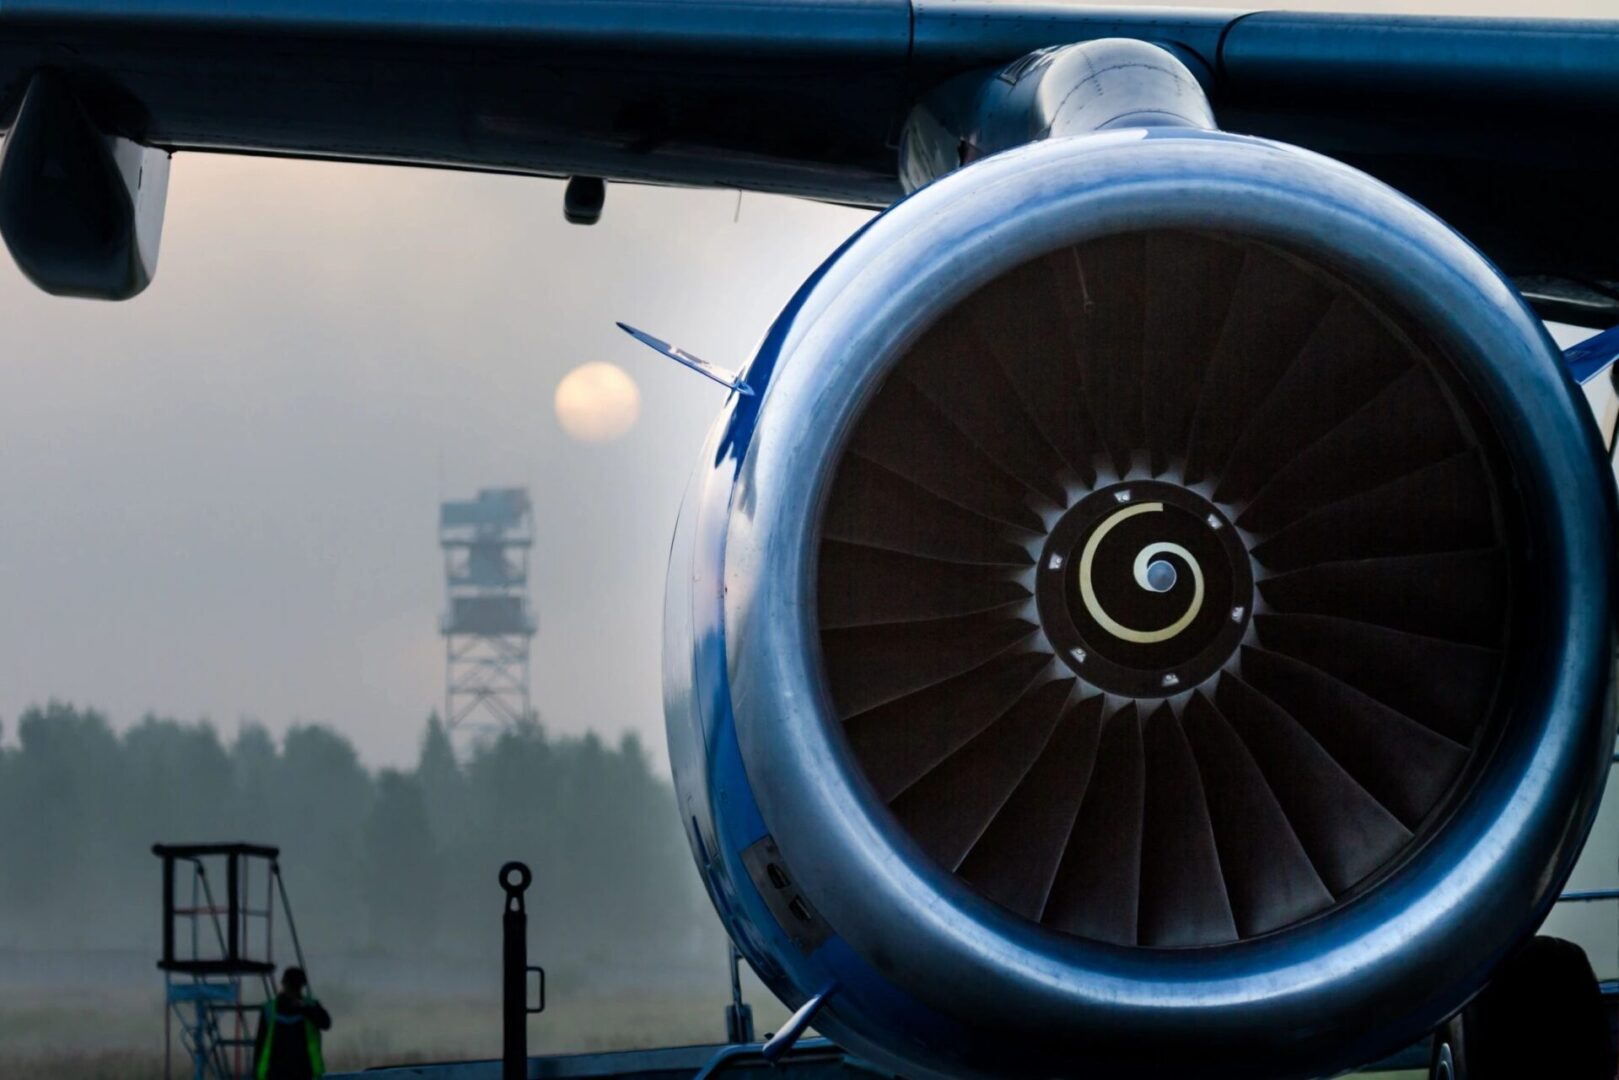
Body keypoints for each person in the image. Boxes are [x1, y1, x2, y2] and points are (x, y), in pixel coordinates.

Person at [253, 966, 332, 1080]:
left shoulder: (310, 1006)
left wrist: (305, 1009)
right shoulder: (270, 1009)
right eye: (292, 986)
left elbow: (326, 1023)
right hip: (276, 1074)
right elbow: (260, 1044)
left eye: (297, 986)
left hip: (304, 1073)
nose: (293, 991)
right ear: (284, 985)